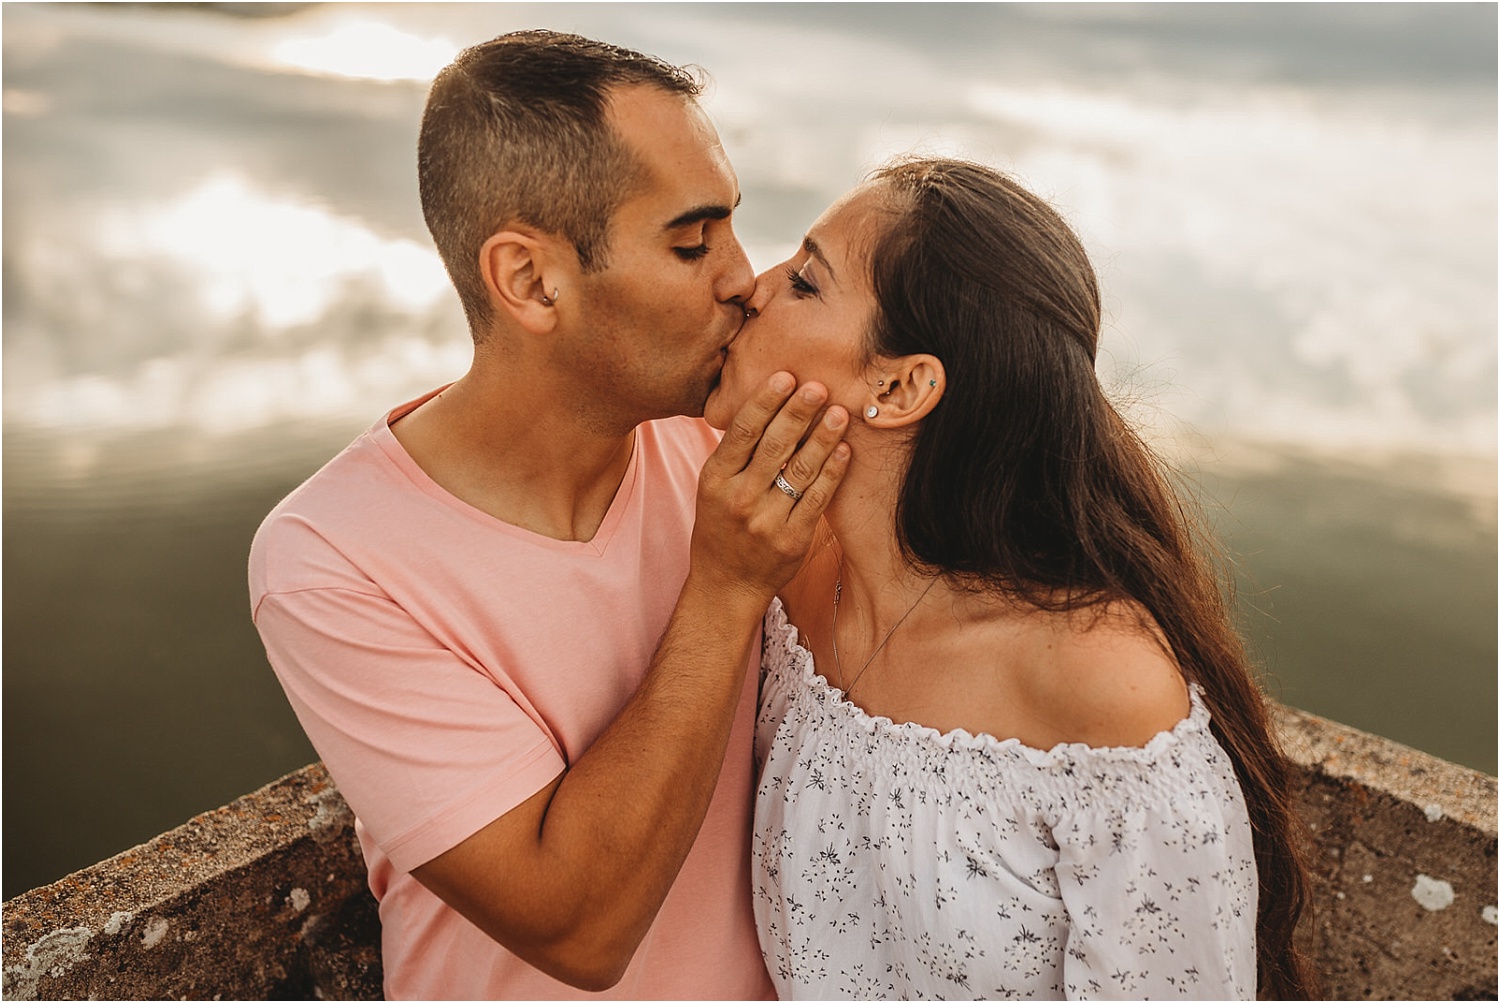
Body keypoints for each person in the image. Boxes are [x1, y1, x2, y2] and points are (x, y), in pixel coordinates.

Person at [249, 31, 851, 1000]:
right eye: (691, 242)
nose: (743, 277)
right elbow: (578, 928)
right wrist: (728, 585)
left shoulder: (728, 448)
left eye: (732, 226)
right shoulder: (332, 559)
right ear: (531, 280)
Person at [704, 157, 1315, 1000]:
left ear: (901, 385)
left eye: (805, 281)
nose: (753, 287)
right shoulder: (782, 570)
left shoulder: (1099, 679)